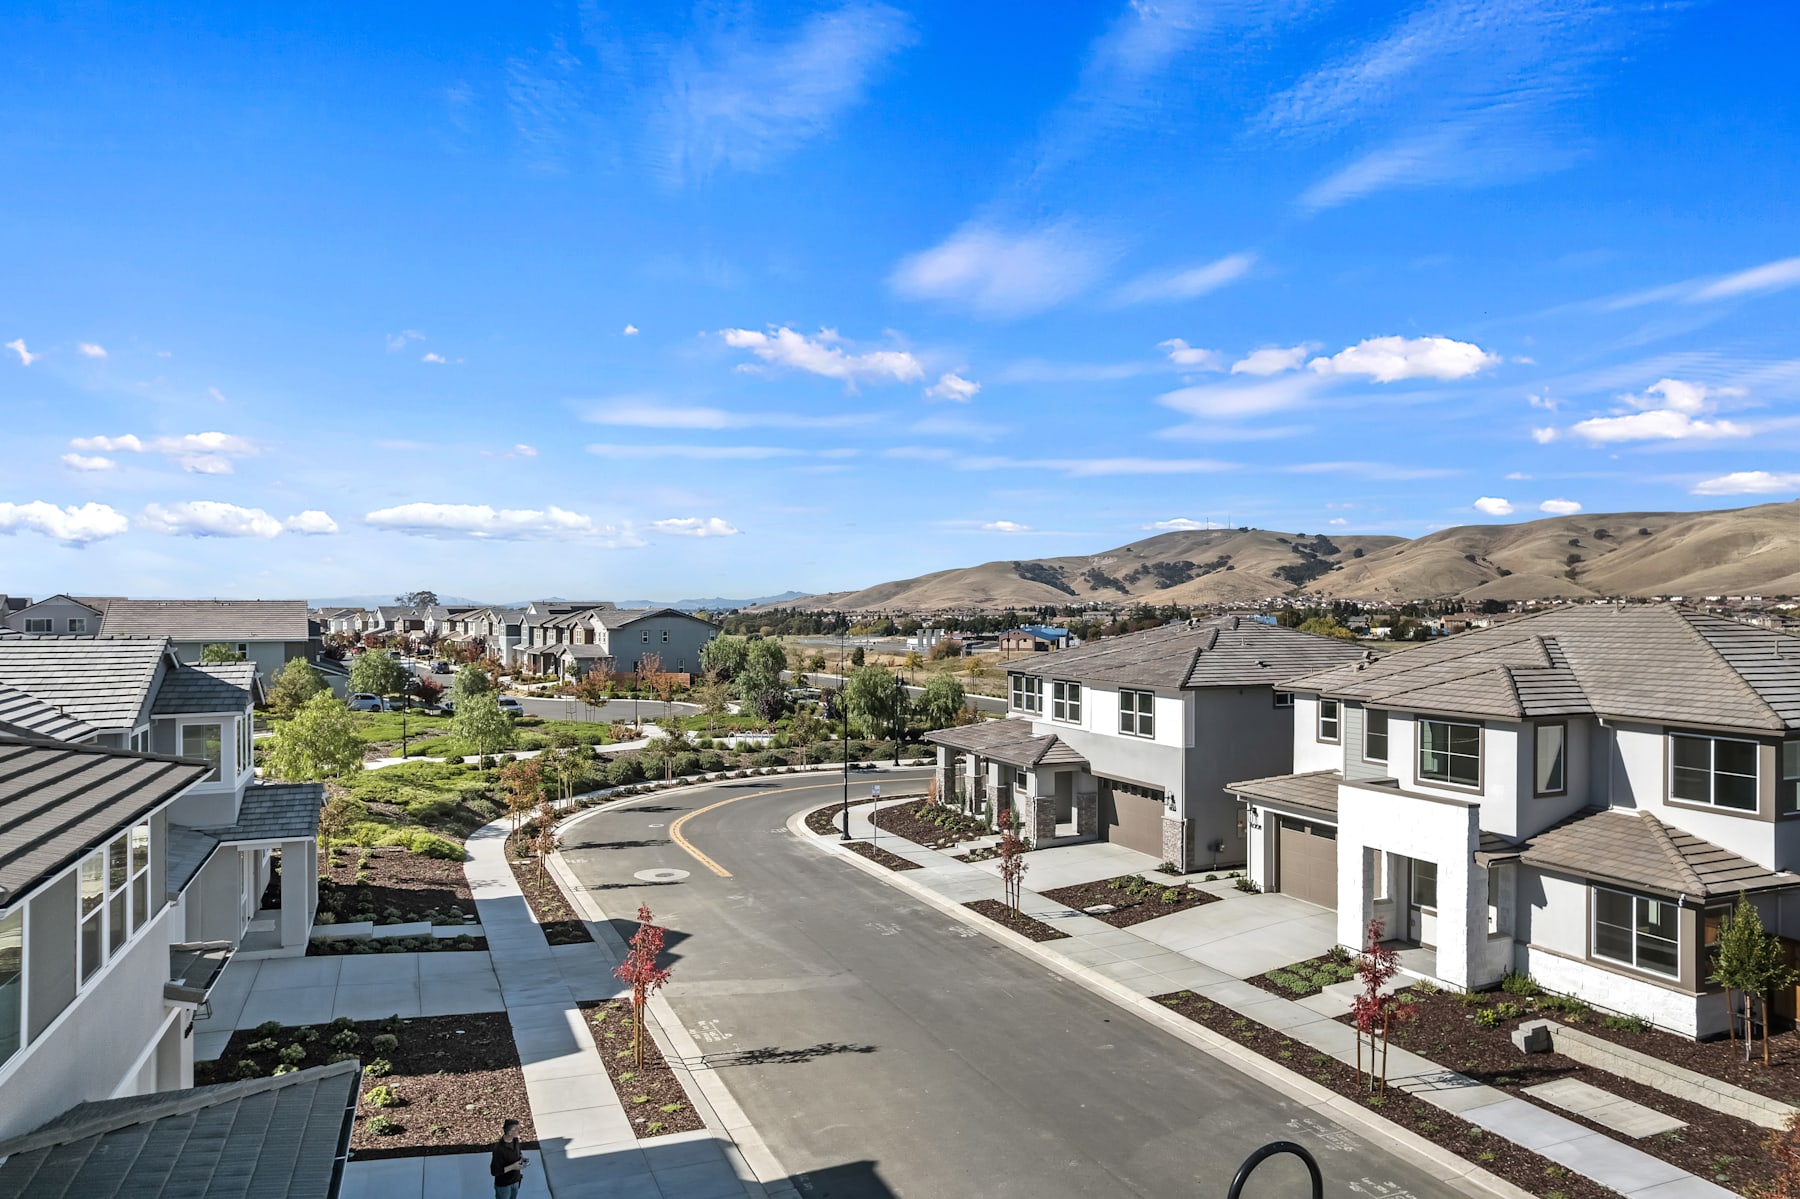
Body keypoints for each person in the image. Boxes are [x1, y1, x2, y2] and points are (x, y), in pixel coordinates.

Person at [490, 1118, 527, 1198]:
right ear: (510, 1132)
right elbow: (494, 1171)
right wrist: (513, 1167)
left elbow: (518, 1152)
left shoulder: (515, 1140)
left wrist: (521, 1158)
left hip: (516, 1180)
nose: (519, 1131)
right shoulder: (499, 1150)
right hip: (504, 1185)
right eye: (517, 1129)